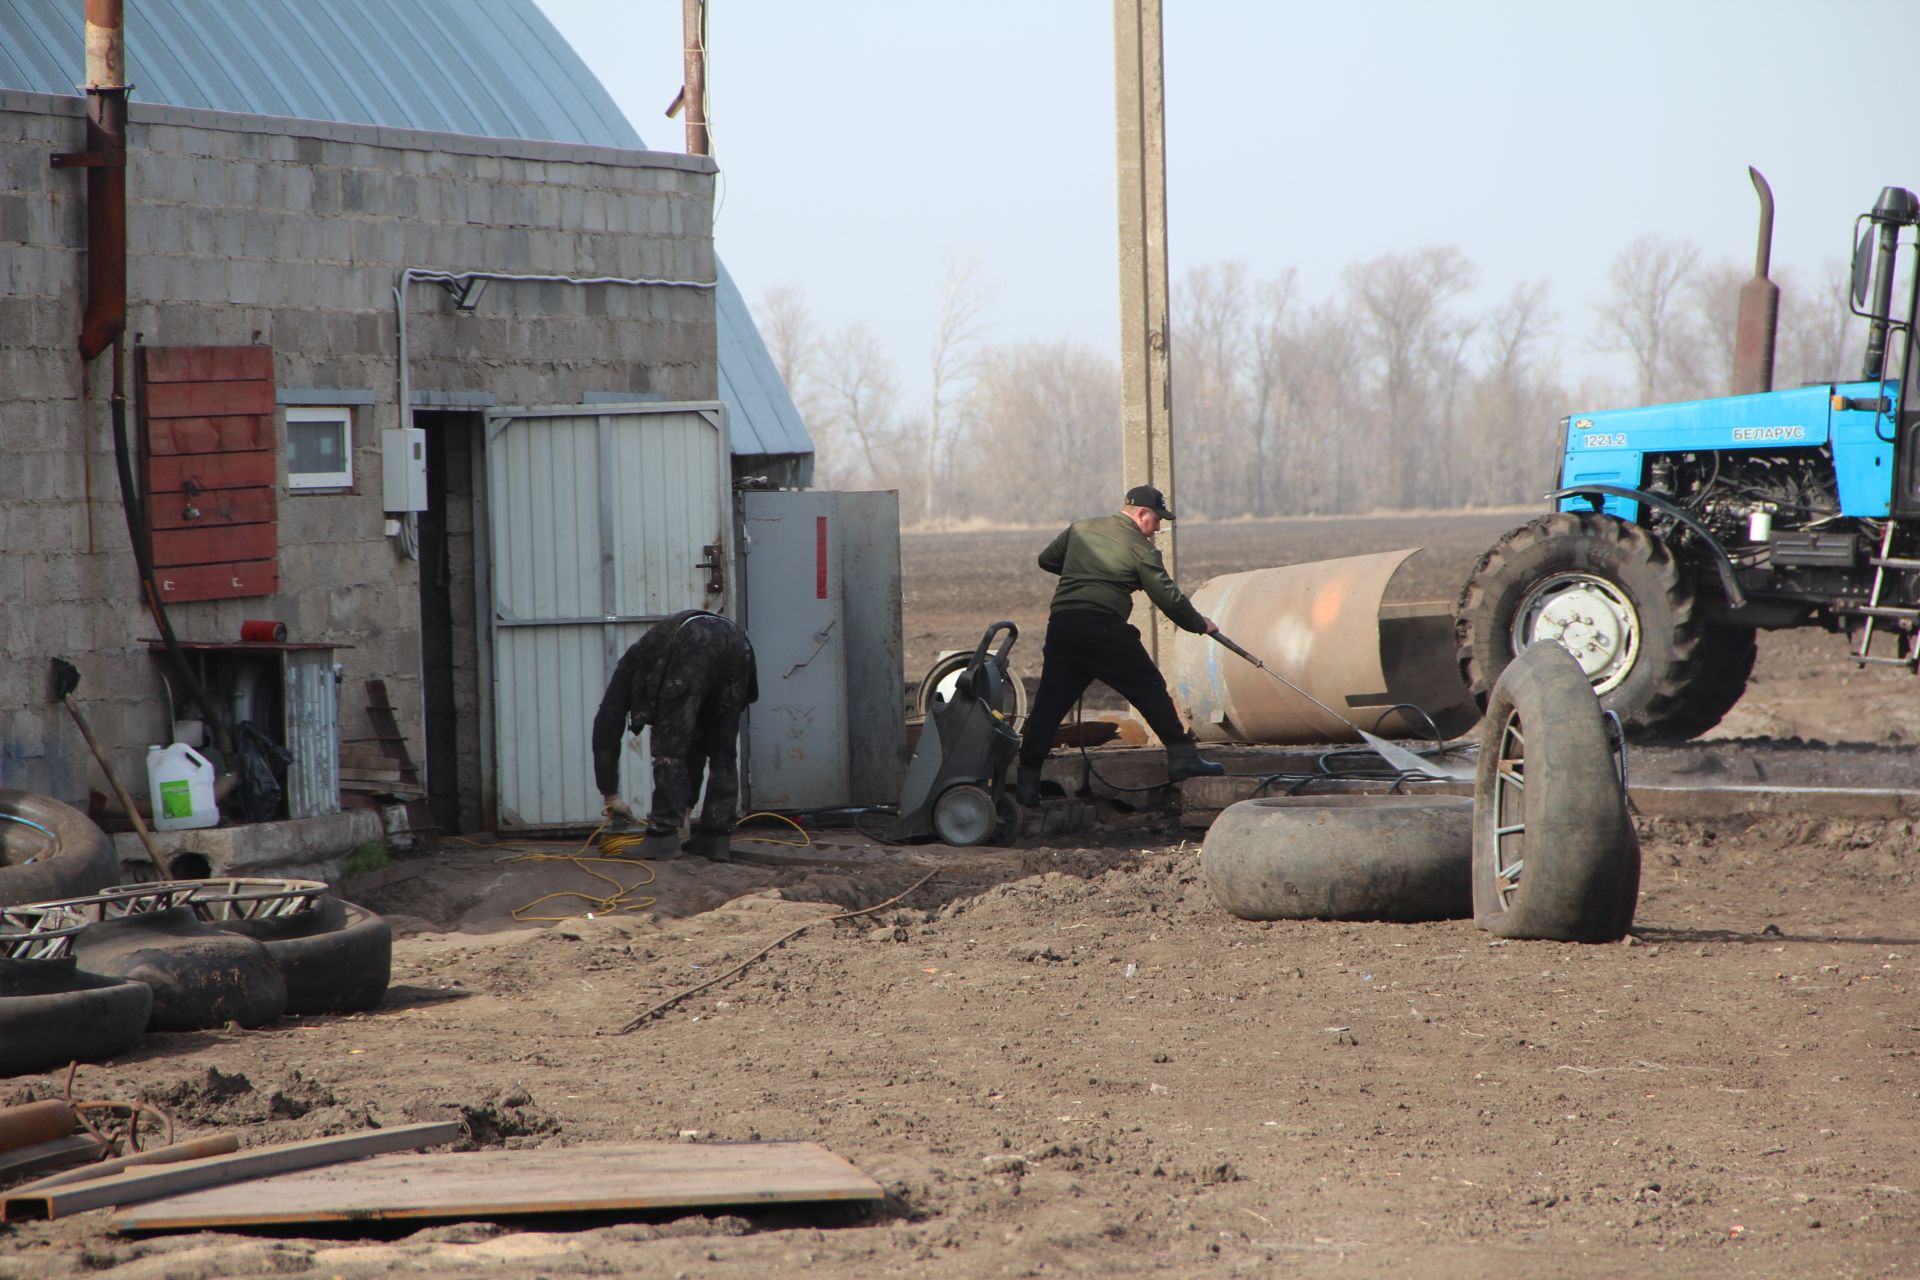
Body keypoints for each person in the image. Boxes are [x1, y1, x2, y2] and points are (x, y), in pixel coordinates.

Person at [1015, 484, 1225, 805]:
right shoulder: (1141, 551)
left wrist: (1084, 570)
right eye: (1156, 521)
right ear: (1141, 514)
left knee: (1049, 705)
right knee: (1149, 687)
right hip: (1103, 628)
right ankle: (1183, 758)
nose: (1156, 530)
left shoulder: (1080, 529)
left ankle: (1027, 784)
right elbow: (1168, 599)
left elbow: (1047, 560)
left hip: (1064, 627)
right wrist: (1200, 624)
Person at [591, 609, 758, 860]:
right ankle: (715, 837)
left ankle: (663, 836)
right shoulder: (654, 653)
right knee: (722, 750)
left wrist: (610, 795)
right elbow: (695, 742)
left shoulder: (633, 661)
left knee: (669, 748)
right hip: (737, 641)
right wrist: (686, 806)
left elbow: (607, 724)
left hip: (693, 641)